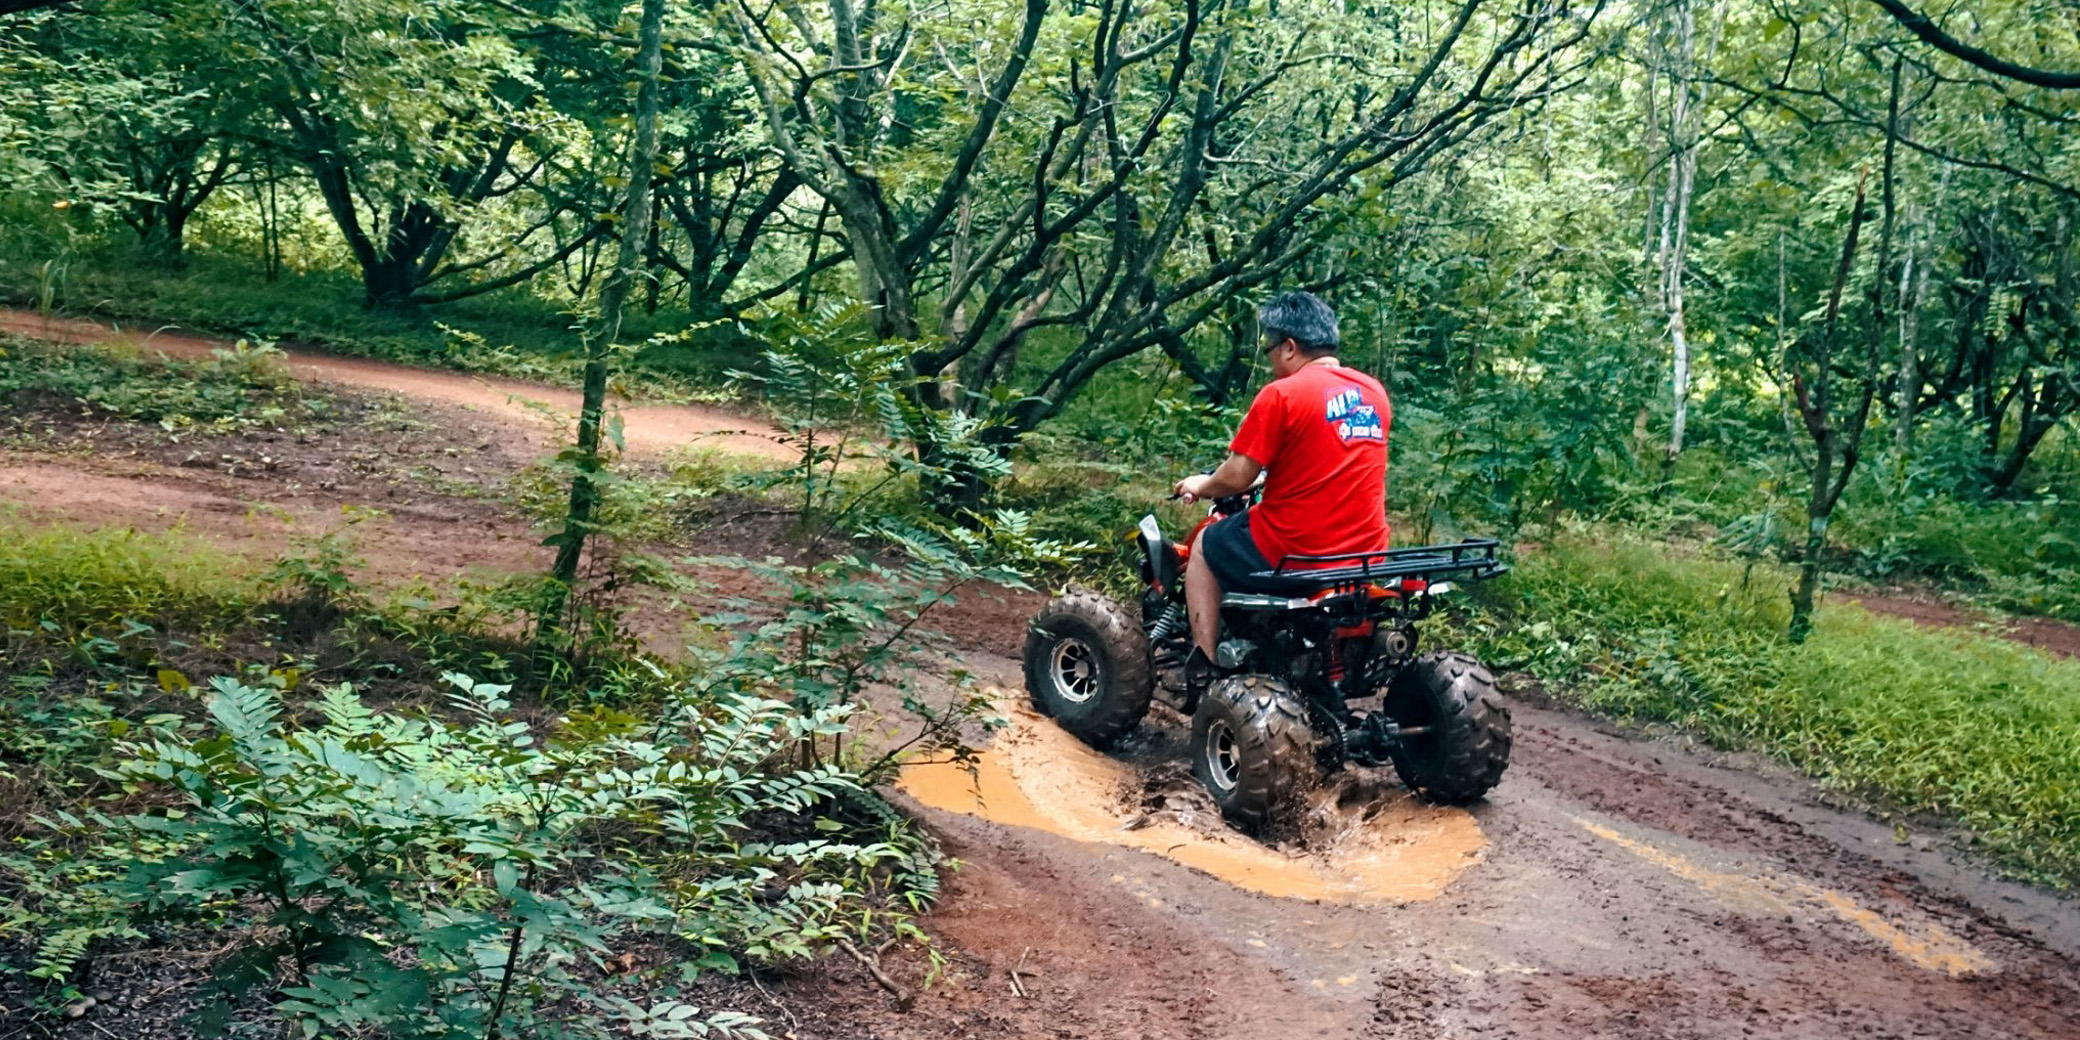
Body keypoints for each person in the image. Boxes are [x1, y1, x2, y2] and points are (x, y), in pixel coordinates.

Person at [1171, 291, 1392, 693]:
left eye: (1271, 349)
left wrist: (1202, 484)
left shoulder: (1282, 395)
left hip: (1295, 550)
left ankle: (1204, 665)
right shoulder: (1374, 393)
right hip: (1364, 555)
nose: (1271, 360)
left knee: (1205, 543)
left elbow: (1238, 476)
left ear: (1290, 347)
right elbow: (1325, 461)